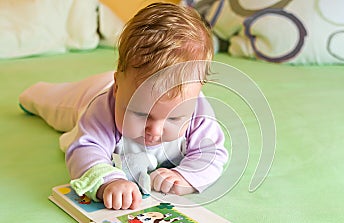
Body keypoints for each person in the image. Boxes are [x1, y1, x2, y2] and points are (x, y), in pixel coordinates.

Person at [18, 3, 228, 210]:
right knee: (53, 103)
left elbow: (212, 153)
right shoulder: (103, 109)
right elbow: (84, 148)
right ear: (118, 87)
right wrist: (109, 181)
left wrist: (186, 177)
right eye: (141, 113)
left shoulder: (197, 111)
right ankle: (32, 94)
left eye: (174, 118)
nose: (154, 131)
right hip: (89, 94)